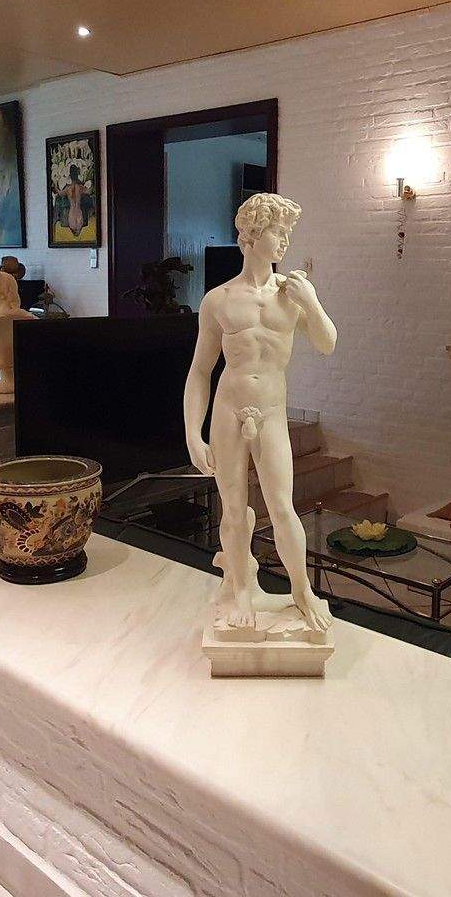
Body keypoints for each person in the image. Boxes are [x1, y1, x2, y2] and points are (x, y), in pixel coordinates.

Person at [183, 193, 337, 632]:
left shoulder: (291, 295)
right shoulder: (218, 299)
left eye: (287, 233)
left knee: (282, 506)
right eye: (277, 232)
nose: (285, 241)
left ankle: (302, 590)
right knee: (233, 509)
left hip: (270, 412)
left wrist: (311, 301)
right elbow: (200, 370)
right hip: (229, 410)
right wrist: (193, 432)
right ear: (252, 234)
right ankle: (241, 591)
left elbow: (327, 343)